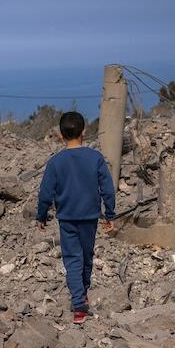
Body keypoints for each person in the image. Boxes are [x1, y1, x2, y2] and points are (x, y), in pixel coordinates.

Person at [36, 111, 116, 324]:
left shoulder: (55, 162)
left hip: (67, 219)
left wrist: (41, 216)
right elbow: (107, 188)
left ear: (60, 135)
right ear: (84, 131)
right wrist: (110, 214)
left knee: (73, 259)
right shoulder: (95, 158)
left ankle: (79, 302)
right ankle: (82, 295)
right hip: (90, 218)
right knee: (87, 257)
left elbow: (45, 193)